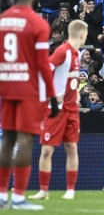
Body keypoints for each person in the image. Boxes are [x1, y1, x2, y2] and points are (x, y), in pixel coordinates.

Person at [0, 0, 58, 210]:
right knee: (25, 140)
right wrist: (53, 96)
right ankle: (18, 197)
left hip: (6, 85)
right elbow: (43, 64)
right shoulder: (38, 24)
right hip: (27, 88)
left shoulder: (2, 20)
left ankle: (2, 195)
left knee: (7, 139)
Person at [28, 20, 88, 201]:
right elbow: (43, 70)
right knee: (47, 150)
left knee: (71, 147)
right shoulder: (63, 51)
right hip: (56, 109)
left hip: (71, 110)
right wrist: (52, 94)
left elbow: (69, 78)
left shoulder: (77, 54)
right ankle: (43, 190)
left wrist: (75, 94)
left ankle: (70, 191)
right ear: (82, 35)